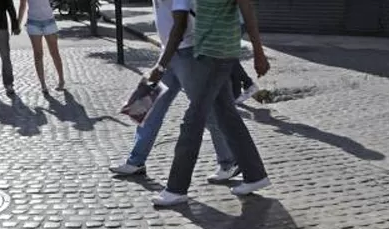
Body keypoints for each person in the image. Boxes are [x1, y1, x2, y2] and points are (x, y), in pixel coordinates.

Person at [148, 0, 270, 206]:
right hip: (210, 52)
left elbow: (247, 10)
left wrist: (259, 52)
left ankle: (176, 188)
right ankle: (255, 175)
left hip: (217, 54)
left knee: (193, 120)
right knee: (226, 115)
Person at [109, 0, 238, 182]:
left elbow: (181, 25)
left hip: (186, 54)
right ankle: (136, 160)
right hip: (171, 53)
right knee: (151, 108)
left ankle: (229, 161)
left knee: (205, 111)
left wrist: (160, 66)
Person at [18, 0, 64, 94]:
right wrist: (18, 24)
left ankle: (61, 80)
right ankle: (43, 84)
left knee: (54, 52)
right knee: (38, 54)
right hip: (33, 22)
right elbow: (22, 5)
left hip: (49, 21)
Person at [231, 10, 258, 104]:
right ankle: (236, 94)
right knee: (229, 57)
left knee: (228, 57)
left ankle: (248, 84)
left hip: (233, 22)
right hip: (230, 22)